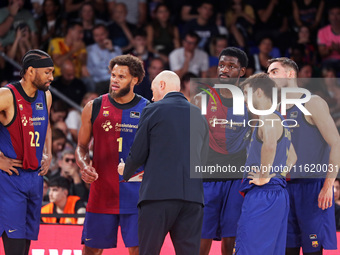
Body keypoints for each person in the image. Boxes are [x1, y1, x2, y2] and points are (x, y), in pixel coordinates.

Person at [119, 70, 209, 255]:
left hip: (157, 197)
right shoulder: (199, 114)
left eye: (152, 91)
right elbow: (205, 158)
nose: (151, 97)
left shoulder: (153, 109)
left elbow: (138, 152)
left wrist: (126, 171)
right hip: (193, 199)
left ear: (162, 86)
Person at [75, 54, 148, 255]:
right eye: (113, 75)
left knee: (139, 250)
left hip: (136, 193)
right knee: (90, 250)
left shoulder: (148, 110)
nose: (114, 80)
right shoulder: (94, 106)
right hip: (102, 191)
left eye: (121, 76)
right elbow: (81, 147)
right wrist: (84, 165)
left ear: (135, 80)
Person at [267, 57, 340, 255]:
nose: (268, 76)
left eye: (274, 71)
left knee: (312, 250)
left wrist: (328, 185)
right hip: (282, 188)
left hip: (312, 188)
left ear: (290, 74)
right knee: (286, 249)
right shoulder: (273, 108)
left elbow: (336, 143)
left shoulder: (312, 102)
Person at [194, 47, 250, 255]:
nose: (224, 70)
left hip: (237, 179)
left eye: (231, 66)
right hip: (208, 177)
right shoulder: (203, 97)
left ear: (242, 71)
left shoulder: (250, 101)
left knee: (230, 238)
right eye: (221, 65)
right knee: (202, 238)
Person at [235, 73, 297, 255]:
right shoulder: (281, 120)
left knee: (250, 248)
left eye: (246, 93)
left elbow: (269, 144)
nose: (245, 99)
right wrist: (275, 175)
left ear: (259, 92)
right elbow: (293, 158)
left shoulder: (267, 117)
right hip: (278, 195)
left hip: (263, 194)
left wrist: (264, 177)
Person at [0, 49, 53, 255]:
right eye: (47, 72)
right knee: (14, 247)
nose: (52, 77)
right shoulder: (6, 95)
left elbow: (46, 126)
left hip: (35, 178)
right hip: (9, 179)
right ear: (31, 71)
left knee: (25, 247)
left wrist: (47, 153)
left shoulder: (45, 95)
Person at [86, 24, 122, 95]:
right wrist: (108, 71)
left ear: (107, 33)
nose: (100, 38)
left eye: (102, 34)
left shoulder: (116, 50)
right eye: (96, 35)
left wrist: (111, 50)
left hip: (115, 82)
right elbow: (91, 70)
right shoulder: (89, 50)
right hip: (99, 82)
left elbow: (119, 67)